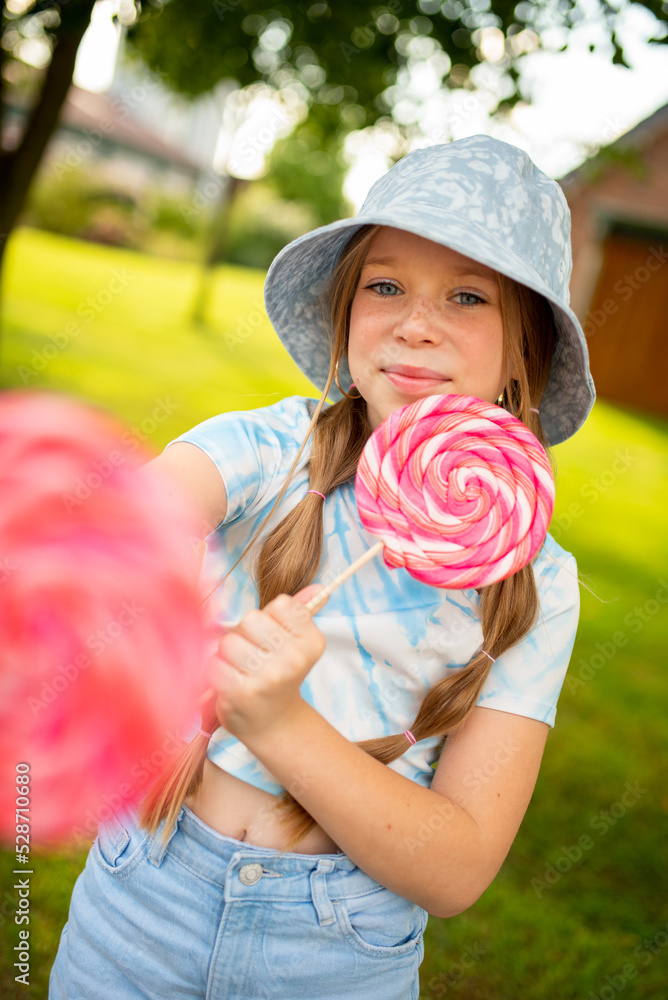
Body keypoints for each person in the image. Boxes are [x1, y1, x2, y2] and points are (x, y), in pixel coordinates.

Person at [49, 134, 595, 1000]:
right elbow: (144, 515)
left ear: (526, 349)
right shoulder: (270, 451)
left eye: (467, 296)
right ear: (344, 314)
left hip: (339, 949)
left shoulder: (533, 579)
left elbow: (456, 871)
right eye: (385, 285)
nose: (417, 323)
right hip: (143, 894)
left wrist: (276, 722)